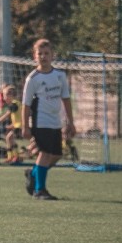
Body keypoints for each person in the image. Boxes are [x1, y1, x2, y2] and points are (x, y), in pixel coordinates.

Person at [21, 39, 76, 201]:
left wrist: (71, 122)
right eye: (40, 54)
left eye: (46, 53)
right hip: (40, 122)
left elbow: (66, 99)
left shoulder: (59, 76)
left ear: (53, 55)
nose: (43, 57)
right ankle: (39, 190)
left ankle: (33, 173)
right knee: (44, 154)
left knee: (57, 155)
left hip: (55, 122)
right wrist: (25, 126)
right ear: (34, 56)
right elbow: (26, 104)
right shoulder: (33, 78)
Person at [0, 85, 22, 163]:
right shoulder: (16, 103)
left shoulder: (14, 104)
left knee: (9, 138)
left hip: (19, 127)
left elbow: (7, 114)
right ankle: (14, 156)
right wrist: (11, 125)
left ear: (11, 95)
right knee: (10, 139)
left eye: (5, 95)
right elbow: (18, 117)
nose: (4, 98)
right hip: (17, 126)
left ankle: (14, 156)